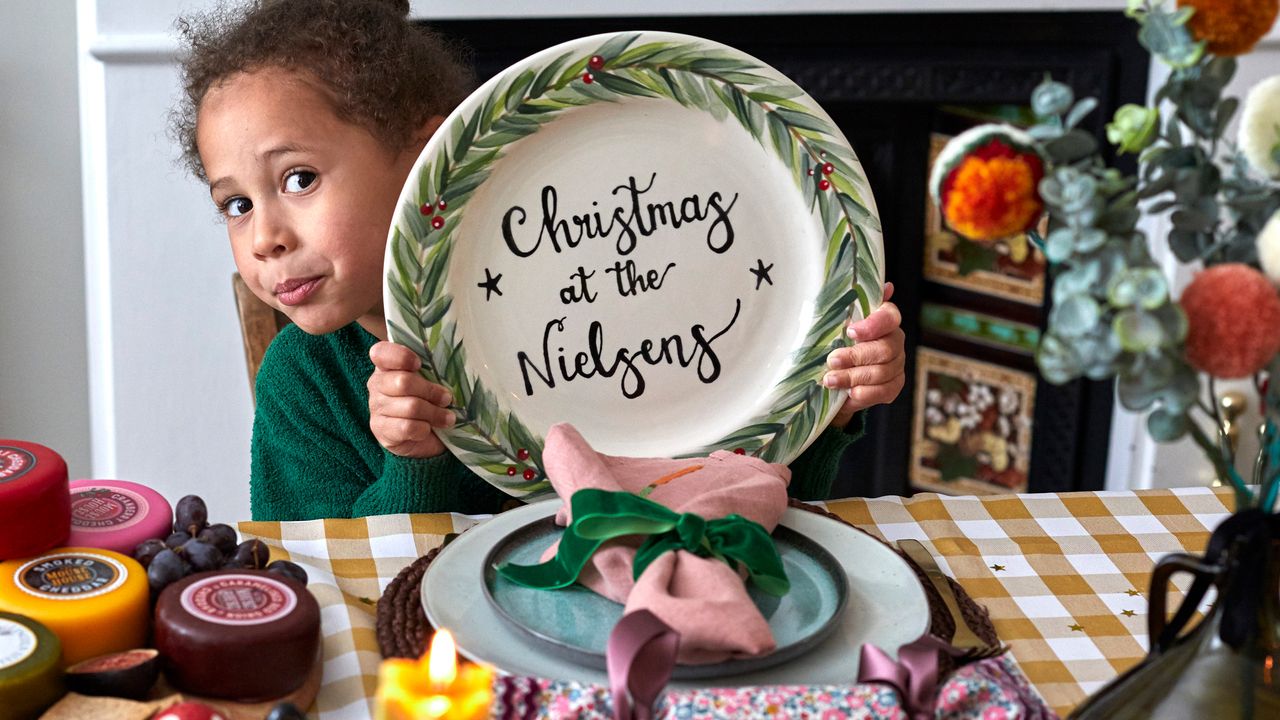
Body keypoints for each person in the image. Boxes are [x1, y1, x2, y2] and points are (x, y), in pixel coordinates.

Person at [174, 0, 907, 521]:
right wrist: (418, 461)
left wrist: (829, 400)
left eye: (298, 179)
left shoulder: (549, 308)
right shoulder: (303, 380)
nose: (263, 235)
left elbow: (737, 490)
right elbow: (330, 579)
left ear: (430, 158)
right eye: (235, 204)